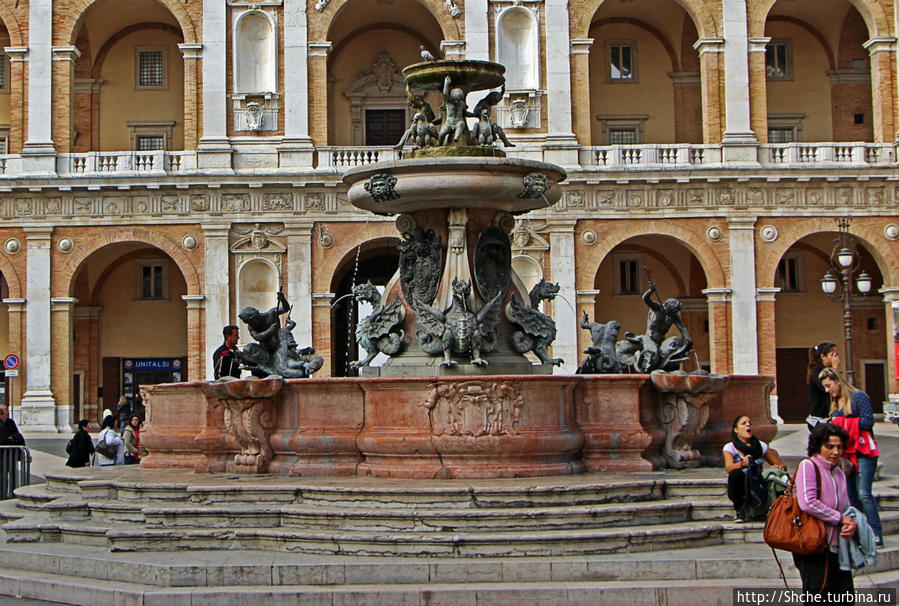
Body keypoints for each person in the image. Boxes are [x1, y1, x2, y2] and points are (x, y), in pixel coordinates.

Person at [820, 367, 883, 547]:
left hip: (864, 451)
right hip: (846, 453)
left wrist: (842, 421)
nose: (827, 390)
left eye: (828, 385)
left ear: (837, 381)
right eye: (825, 387)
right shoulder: (834, 402)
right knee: (851, 496)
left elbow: (868, 421)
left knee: (864, 494)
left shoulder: (858, 397)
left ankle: (876, 533)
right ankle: (861, 531)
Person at [793, 423, 856, 597]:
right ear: (818, 447)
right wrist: (839, 518)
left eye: (839, 447)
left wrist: (851, 522)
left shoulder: (839, 472)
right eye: (830, 447)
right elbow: (808, 502)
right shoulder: (808, 466)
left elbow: (846, 507)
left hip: (837, 547)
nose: (836, 452)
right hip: (814, 545)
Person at [722, 415, 787, 521]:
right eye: (744, 423)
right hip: (741, 482)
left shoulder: (761, 445)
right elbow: (729, 468)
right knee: (735, 474)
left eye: (749, 423)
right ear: (736, 430)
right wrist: (742, 464)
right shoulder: (730, 447)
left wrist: (777, 467)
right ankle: (740, 510)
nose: (748, 424)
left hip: (758, 480)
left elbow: (782, 466)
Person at [807, 341, 839, 430]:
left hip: (828, 417)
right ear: (823, 356)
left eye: (837, 354)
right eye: (833, 355)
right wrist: (835, 369)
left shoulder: (827, 370)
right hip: (818, 418)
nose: (836, 358)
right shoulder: (816, 371)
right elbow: (830, 389)